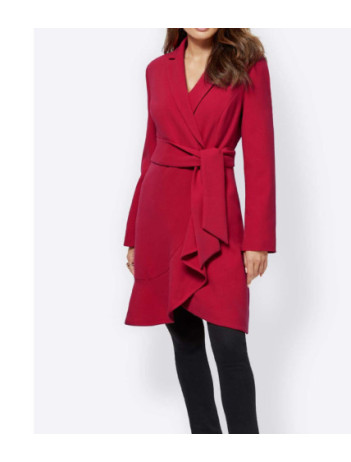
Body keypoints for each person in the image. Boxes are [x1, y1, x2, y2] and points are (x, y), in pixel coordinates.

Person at [123, 28, 276, 434]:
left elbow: (260, 155)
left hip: (218, 218)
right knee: (185, 341)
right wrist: (134, 234)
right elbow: (150, 153)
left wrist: (258, 240)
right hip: (161, 218)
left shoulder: (248, 65)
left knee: (229, 344)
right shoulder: (157, 70)